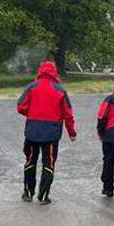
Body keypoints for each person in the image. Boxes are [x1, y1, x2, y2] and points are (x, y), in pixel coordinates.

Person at [16, 60, 76, 204]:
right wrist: (71, 132)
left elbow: (20, 106)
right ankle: (43, 196)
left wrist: (31, 113)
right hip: (52, 132)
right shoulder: (60, 90)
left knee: (30, 160)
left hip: (32, 130)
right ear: (54, 71)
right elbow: (68, 113)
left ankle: (28, 193)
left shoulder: (31, 87)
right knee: (48, 164)